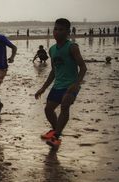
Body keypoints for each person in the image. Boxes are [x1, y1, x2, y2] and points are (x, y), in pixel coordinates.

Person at [35, 18, 87, 149]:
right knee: (48, 109)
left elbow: (83, 67)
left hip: (71, 85)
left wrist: (76, 84)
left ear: (68, 32)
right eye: (55, 29)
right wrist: (43, 88)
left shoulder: (72, 47)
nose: (57, 32)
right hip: (58, 85)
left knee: (64, 106)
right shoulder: (52, 49)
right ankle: (55, 131)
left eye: (61, 29)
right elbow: (53, 71)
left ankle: (56, 137)